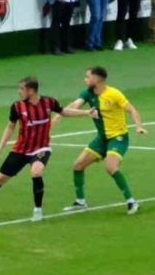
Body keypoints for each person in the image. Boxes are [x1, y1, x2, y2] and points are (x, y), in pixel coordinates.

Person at [0, 77, 96, 221]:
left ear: (31, 91)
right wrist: (0, 148)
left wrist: (86, 113)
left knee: (36, 172)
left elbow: (63, 111)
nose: (19, 92)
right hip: (21, 150)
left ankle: (38, 210)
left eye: (21, 89)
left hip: (41, 148)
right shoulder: (17, 107)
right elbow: (10, 127)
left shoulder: (49, 102)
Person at [62, 67, 149, 215]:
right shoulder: (87, 94)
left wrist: (139, 126)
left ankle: (131, 202)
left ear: (97, 79)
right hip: (101, 139)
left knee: (110, 167)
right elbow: (75, 106)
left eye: (87, 77)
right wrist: (60, 112)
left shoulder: (114, 94)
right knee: (78, 165)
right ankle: (80, 202)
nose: (85, 80)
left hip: (118, 138)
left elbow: (132, 110)